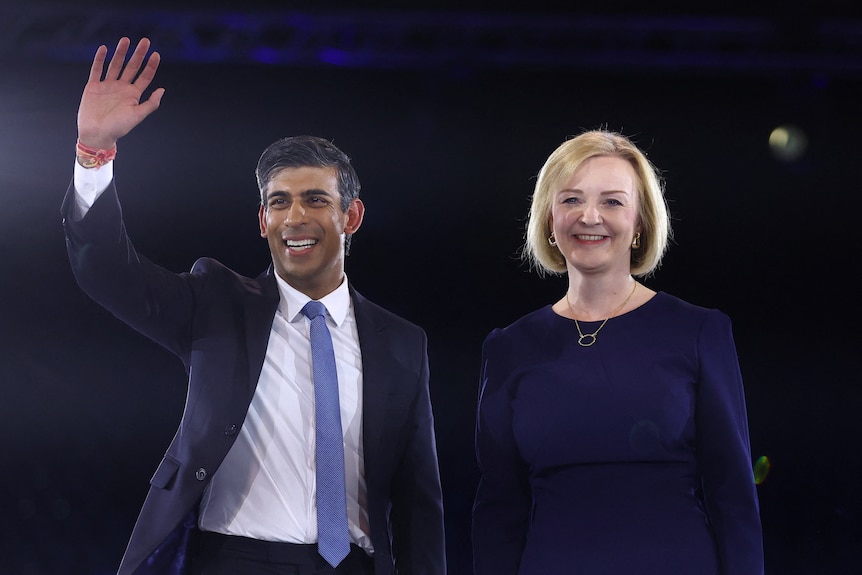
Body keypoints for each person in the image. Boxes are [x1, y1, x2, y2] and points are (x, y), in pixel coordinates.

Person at [61, 37, 446, 575]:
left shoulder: (403, 343)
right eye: (279, 202)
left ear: (351, 217)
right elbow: (105, 270)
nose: (295, 218)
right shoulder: (215, 302)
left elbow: (418, 503)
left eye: (316, 200)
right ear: (262, 221)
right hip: (233, 561)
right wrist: (93, 151)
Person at [472, 130, 763, 574]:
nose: (590, 216)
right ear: (549, 220)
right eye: (571, 200)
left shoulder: (699, 331)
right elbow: (499, 509)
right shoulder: (509, 347)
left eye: (612, 201)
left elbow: (732, 494)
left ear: (640, 221)